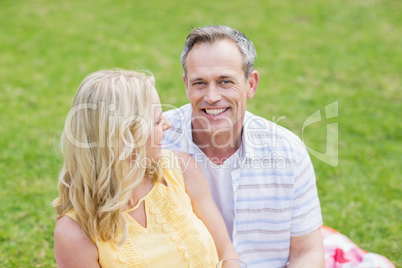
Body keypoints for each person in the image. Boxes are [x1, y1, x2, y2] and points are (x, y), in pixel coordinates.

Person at [162, 25, 325, 267]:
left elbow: (307, 252)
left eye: (225, 81)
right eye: (200, 83)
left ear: (251, 84)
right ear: (186, 84)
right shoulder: (157, 142)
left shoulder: (288, 151)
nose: (212, 96)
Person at [52, 70, 240, 267]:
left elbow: (227, 253)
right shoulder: (74, 232)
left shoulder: (181, 170)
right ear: (124, 136)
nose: (166, 124)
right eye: (157, 121)